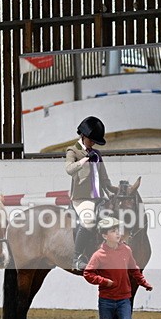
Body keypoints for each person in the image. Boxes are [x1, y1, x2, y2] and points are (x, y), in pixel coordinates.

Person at [83, 217, 152, 319]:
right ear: (105, 235)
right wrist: (103, 281)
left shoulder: (126, 250)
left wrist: (143, 282)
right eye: (113, 231)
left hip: (123, 298)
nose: (118, 234)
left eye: (118, 230)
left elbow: (134, 269)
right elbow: (88, 273)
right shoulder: (98, 255)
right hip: (106, 299)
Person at [65, 116, 115, 271]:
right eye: (91, 140)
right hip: (82, 199)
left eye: (95, 141)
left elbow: (105, 179)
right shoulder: (73, 150)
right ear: (83, 136)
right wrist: (85, 159)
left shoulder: (97, 154)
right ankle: (77, 258)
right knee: (88, 221)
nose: (93, 143)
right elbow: (69, 169)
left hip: (98, 197)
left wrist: (116, 191)